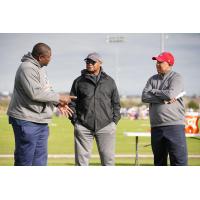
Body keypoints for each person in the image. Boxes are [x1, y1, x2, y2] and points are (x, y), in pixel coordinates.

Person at [7, 43, 76, 166]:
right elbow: (36, 93)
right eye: (48, 56)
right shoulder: (26, 68)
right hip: (26, 119)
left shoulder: (41, 69)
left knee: (40, 161)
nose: (50, 59)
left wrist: (57, 103)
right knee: (25, 160)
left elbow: (46, 90)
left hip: (41, 120)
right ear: (40, 57)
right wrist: (61, 97)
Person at [69, 52, 121, 166]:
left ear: (100, 63)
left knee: (108, 162)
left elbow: (116, 103)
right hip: (83, 127)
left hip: (106, 127)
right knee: (81, 163)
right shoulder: (78, 81)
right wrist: (75, 121)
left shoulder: (110, 81)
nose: (89, 64)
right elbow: (72, 103)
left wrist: (114, 122)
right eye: (87, 61)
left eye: (93, 62)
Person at [142, 52, 188, 166]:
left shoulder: (176, 77)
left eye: (160, 62)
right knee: (159, 163)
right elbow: (144, 97)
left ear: (169, 63)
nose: (157, 64)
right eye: (156, 62)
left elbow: (170, 95)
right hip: (156, 127)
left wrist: (154, 91)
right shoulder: (152, 79)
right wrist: (162, 98)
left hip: (174, 126)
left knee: (178, 162)